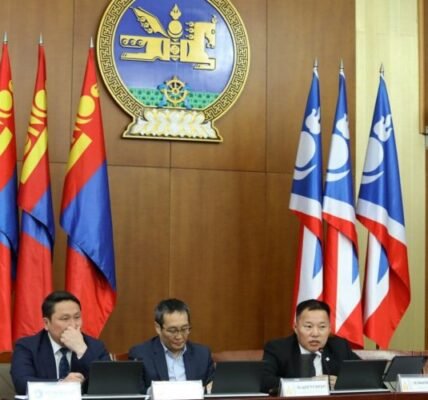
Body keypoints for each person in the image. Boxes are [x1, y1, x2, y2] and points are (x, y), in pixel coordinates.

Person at [11, 290, 111, 395]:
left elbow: (108, 384)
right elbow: (22, 384)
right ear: (46, 323)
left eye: (77, 317)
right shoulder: (27, 347)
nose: (73, 325)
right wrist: (61, 384)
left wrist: (82, 350)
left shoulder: (96, 347)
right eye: (65, 319)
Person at [261, 299, 360, 394]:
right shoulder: (278, 349)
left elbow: (364, 375)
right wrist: (310, 384)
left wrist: (341, 383)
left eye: (322, 327)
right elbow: (265, 381)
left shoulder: (339, 347)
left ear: (329, 328)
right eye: (308, 326)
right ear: (296, 328)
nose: (315, 333)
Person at [128, 298, 214, 394]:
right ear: (158, 328)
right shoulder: (141, 355)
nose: (179, 336)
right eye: (172, 330)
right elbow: (136, 393)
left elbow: (212, 388)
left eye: (184, 329)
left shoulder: (203, 354)